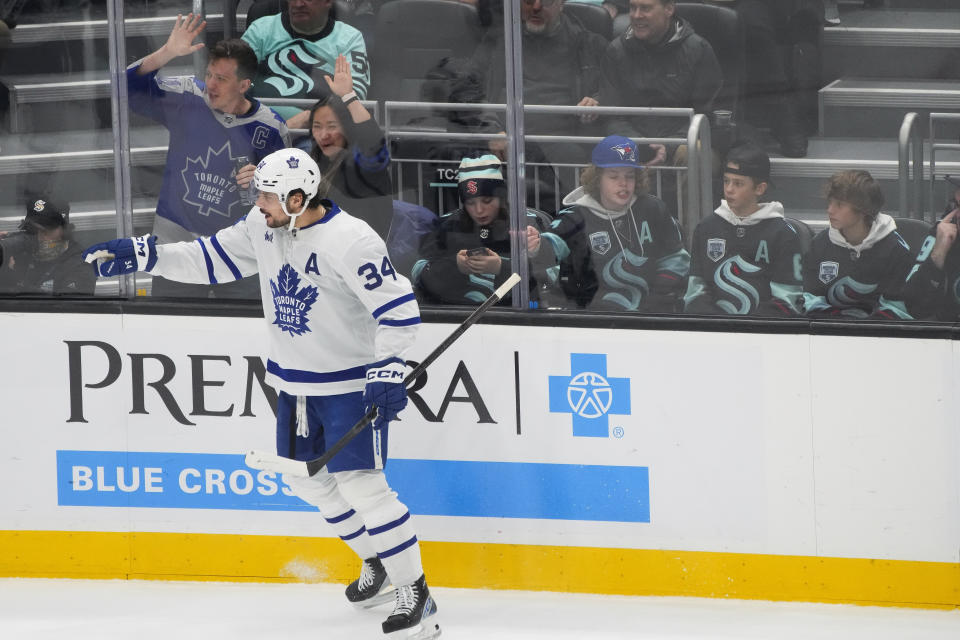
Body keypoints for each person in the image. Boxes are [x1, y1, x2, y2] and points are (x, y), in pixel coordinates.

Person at [81, 148, 440, 640]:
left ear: (298, 197)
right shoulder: (263, 225)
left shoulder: (350, 241)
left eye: (267, 196)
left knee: (364, 489)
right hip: (293, 386)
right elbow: (210, 260)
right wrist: (150, 255)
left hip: (346, 388)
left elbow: (397, 309)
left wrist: (387, 369)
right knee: (308, 481)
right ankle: (377, 562)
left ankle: (415, 592)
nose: (258, 203)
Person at [128, 13, 289, 298]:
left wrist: (265, 183)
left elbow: (289, 199)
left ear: (243, 85)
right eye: (210, 75)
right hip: (176, 246)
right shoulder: (189, 98)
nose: (211, 85)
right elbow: (127, 86)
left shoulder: (271, 128)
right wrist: (167, 53)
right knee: (171, 334)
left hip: (237, 249)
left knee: (244, 338)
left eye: (222, 79)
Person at [449, 0, 609, 211]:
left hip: (561, 144)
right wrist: (492, 131)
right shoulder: (501, 40)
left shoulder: (588, 43)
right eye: (527, 1)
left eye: (546, 1)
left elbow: (615, 90)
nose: (535, 7)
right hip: (506, 141)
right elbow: (465, 88)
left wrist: (597, 100)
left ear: (562, 3)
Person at [541, 135, 690, 312]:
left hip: (651, 314)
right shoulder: (575, 216)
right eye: (613, 177)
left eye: (630, 176)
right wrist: (535, 245)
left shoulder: (653, 208)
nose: (624, 184)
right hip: (595, 319)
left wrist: (656, 296)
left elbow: (678, 258)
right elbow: (549, 249)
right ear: (597, 179)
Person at [412, 154, 554, 305]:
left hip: (517, 317)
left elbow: (554, 275)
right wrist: (455, 266)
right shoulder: (448, 224)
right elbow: (417, 272)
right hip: (459, 315)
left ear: (501, 197)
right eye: (470, 202)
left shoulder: (529, 223)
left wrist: (502, 267)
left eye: (487, 201)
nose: (479, 210)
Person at [683, 144, 803, 316]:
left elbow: (788, 300)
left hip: (764, 334)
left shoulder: (782, 234)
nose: (729, 189)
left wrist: (748, 328)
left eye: (738, 183)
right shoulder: (706, 228)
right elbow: (695, 292)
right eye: (726, 181)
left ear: (760, 188)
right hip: (713, 331)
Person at [599, 0, 722, 164]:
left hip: (683, 142)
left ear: (669, 9)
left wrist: (668, 146)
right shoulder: (616, 51)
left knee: (694, 153)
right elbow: (612, 116)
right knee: (607, 152)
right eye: (633, 8)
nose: (636, 16)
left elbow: (706, 114)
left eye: (645, 8)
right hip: (632, 143)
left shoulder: (698, 49)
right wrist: (642, 146)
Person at [242, 0, 370, 131]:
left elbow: (354, 99)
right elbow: (232, 83)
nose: (298, 4)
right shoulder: (260, 29)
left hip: (316, 133)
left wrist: (311, 117)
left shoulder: (349, 38)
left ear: (328, 2)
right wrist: (284, 128)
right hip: (256, 127)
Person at [802, 169, 913, 319]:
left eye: (839, 205)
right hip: (828, 333)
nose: (830, 210)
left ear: (864, 209)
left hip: (878, 337)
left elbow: (896, 309)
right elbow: (810, 298)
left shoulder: (896, 249)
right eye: (830, 203)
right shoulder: (819, 243)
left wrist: (860, 331)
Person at [307, 54, 393, 240]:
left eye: (332, 126)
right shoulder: (313, 164)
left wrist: (348, 96)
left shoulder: (363, 164)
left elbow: (372, 140)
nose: (324, 135)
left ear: (347, 129)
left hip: (359, 254)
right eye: (317, 127)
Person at [0, 195, 95, 295]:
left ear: (64, 230)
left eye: (46, 231)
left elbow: (67, 307)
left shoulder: (79, 264)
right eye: (33, 230)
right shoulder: (21, 250)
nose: (39, 236)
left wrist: (16, 281)